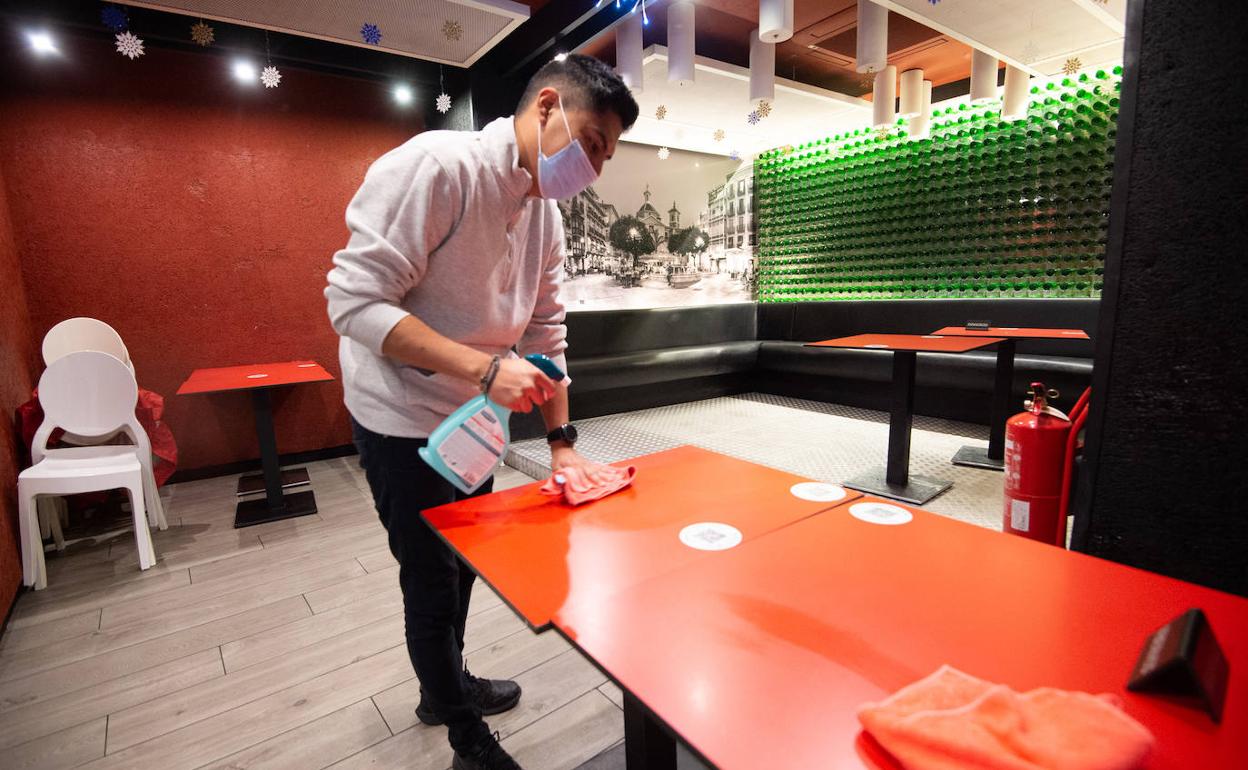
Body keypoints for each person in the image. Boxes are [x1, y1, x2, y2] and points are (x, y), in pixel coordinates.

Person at [324, 55, 638, 770]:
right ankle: (466, 739)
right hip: (400, 415)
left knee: (464, 564)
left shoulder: (544, 215)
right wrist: (484, 369)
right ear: (548, 105)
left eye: (606, 156)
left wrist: (561, 441)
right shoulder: (436, 167)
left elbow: (548, 332)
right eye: (591, 142)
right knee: (429, 579)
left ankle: (446, 689)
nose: (594, 165)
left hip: (470, 424)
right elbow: (353, 303)